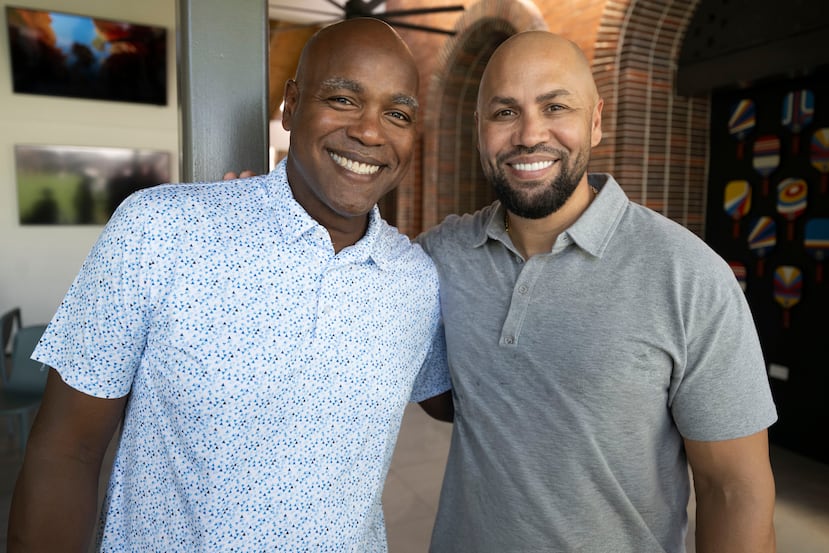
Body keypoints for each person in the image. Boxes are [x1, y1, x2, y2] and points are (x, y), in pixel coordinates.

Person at [8, 18, 451, 552]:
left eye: (397, 113)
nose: (371, 131)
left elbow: (463, 401)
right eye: (342, 99)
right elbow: (66, 451)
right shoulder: (161, 230)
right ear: (291, 105)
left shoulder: (416, 282)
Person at [416, 31, 778, 552]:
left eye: (555, 106)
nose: (529, 134)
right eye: (504, 112)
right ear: (479, 130)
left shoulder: (688, 276)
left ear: (597, 120)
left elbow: (733, 490)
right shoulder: (440, 257)